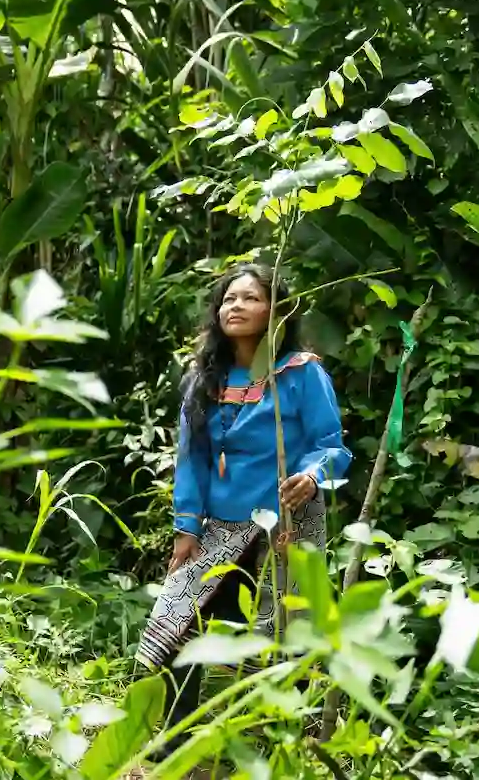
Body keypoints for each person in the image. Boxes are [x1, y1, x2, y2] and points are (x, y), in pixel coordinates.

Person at [134, 262, 353, 762]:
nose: (237, 306)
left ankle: (265, 755)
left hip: (287, 530)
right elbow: (191, 460)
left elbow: (331, 447)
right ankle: (175, 748)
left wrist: (312, 475)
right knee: (177, 627)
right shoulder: (203, 379)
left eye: (251, 298)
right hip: (220, 531)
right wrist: (185, 529)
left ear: (276, 311)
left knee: (272, 644)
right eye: (229, 299)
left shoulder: (302, 373)